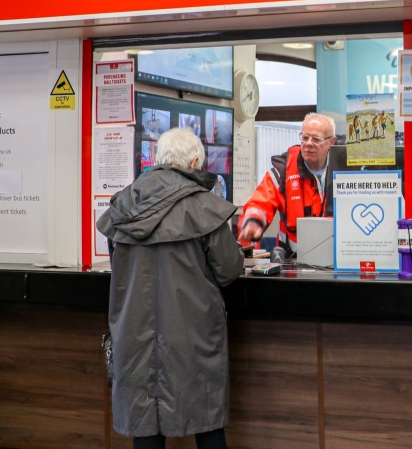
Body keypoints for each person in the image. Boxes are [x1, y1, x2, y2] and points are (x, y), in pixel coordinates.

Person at [97, 127, 244, 449]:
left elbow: (117, 264)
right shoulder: (206, 207)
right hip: (192, 331)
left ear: (158, 160)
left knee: (145, 421)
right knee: (206, 418)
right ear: (194, 161)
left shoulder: (122, 206)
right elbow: (229, 269)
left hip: (133, 329)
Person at [239, 113, 341, 253]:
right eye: (305, 138)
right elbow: (260, 203)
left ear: (332, 141)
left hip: (337, 256)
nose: (308, 143)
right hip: (292, 260)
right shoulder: (283, 171)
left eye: (316, 139)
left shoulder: (345, 169)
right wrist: (253, 222)